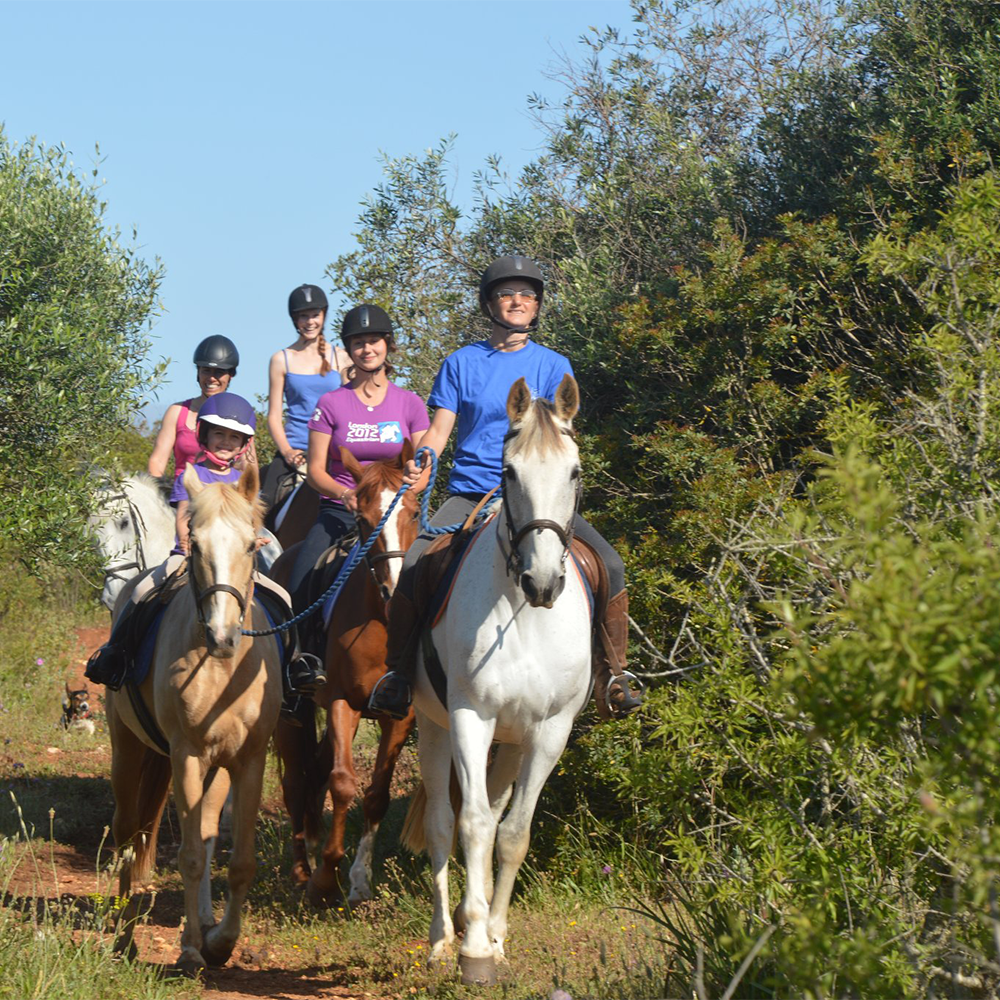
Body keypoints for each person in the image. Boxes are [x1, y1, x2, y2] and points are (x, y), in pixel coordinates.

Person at [368, 256, 643, 721]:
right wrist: (425, 458)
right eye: (507, 294)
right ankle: (397, 675)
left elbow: (562, 436)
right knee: (415, 562)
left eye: (528, 296)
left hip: (538, 500)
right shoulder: (461, 363)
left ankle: (613, 673)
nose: (518, 302)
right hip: (472, 492)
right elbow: (440, 429)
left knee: (610, 565)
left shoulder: (554, 365)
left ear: (537, 307)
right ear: (489, 303)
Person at [86, 392, 325, 698]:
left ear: (244, 444)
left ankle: (294, 666)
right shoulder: (192, 474)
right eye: (219, 434)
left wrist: (255, 538)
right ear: (205, 436)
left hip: (237, 562)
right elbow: (183, 515)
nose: (226, 443)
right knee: (140, 593)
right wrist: (187, 538)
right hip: (189, 556)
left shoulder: (243, 480)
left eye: (234, 437)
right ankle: (116, 656)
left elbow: (252, 522)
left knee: (281, 596)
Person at [286, 304, 429, 649]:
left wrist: (413, 487)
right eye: (359, 342)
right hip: (342, 511)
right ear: (349, 350)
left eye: (374, 341)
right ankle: (301, 659)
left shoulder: (410, 404)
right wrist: (343, 494)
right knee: (302, 579)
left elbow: (424, 468)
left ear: (387, 345)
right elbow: (315, 471)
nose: (367, 349)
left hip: (399, 513)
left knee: (442, 571)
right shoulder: (332, 404)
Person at [260, 284, 350, 514]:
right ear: (294, 320)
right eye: (303, 316)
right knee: (265, 507)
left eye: (314, 315)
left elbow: (351, 407)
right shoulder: (281, 359)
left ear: (323, 316)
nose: (310, 321)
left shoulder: (341, 357)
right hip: (296, 451)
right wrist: (288, 452)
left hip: (332, 451)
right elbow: (273, 416)